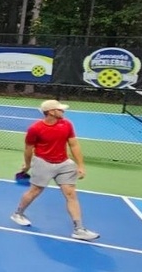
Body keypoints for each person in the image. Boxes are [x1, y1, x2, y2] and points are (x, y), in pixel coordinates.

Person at [10, 99, 99, 241]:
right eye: (60, 109)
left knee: (71, 194)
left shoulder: (67, 124)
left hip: (64, 163)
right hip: (43, 163)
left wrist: (80, 165)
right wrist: (27, 165)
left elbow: (74, 145)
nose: (63, 111)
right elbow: (28, 149)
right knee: (35, 191)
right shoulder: (35, 129)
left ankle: (79, 229)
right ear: (51, 112)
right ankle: (18, 213)